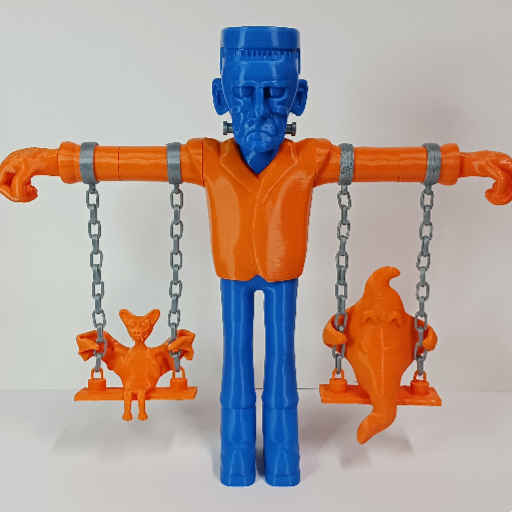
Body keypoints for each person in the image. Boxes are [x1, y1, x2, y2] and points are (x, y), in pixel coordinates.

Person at [1, 25, 511, 487]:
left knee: (282, 360)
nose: (261, 108)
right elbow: (122, 162)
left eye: (276, 93)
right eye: (245, 93)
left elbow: (394, 163)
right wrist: (49, 160)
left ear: (299, 97)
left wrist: (467, 163)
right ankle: (238, 460)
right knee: (237, 362)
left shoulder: (312, 158)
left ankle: (285, 461)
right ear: (221, 96)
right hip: (234, 279)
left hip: (283, 279)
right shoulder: (205, 158)